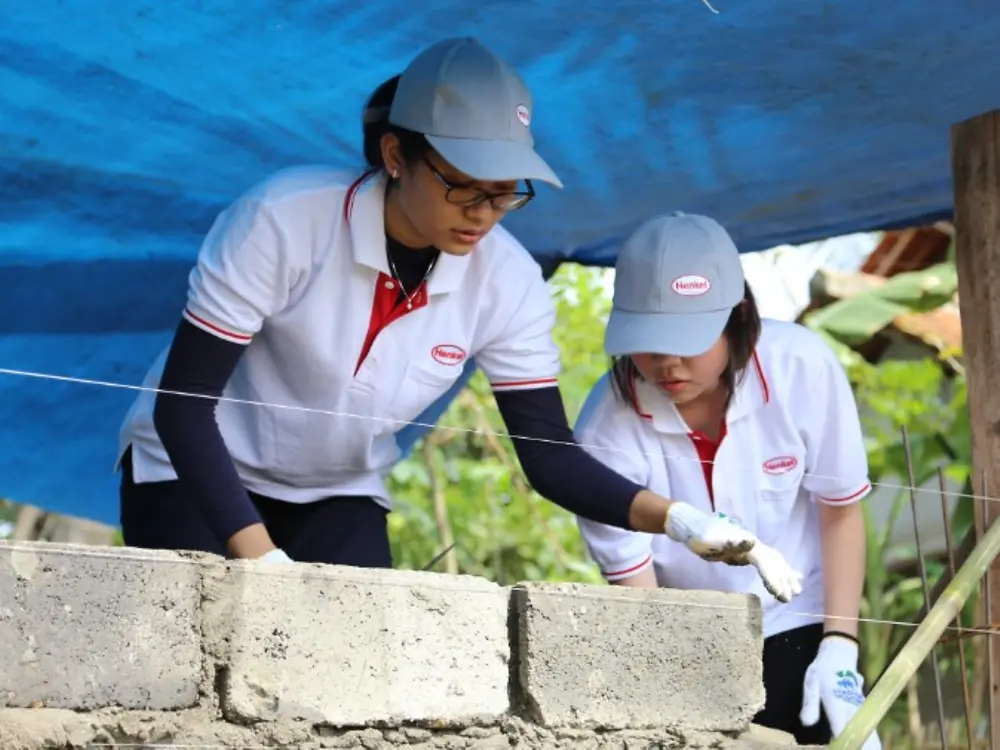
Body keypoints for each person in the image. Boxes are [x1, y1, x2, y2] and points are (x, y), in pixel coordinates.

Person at [115, 36, 792, 595]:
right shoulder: (284, 221)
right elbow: (183, 405)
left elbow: (549, 456)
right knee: (206, 634)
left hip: (336, 489)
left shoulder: (509, 283)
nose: (483, 213)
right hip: (191, 469)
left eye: (505, 194)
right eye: (464, 185)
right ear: (395, 156)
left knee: (354, 670)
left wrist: (678, 520)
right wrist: (260, 562)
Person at [573, 213, 880, 748]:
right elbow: (637, 587)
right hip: (687, 634)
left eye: (687, 341)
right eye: (647, 343)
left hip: (800, 618)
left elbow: (840, 508)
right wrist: (667, 689)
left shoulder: (801, 368)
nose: (666, 364)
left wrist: (840, 646)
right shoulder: (604, 428)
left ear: (736, 318)